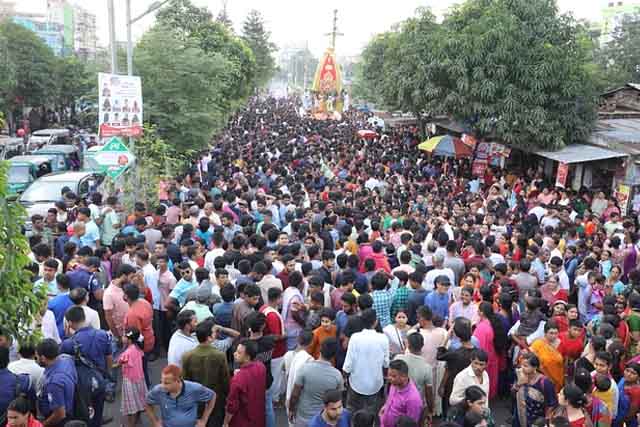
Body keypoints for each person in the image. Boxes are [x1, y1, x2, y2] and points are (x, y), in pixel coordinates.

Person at [182, 319, 231, 427]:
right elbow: (225, 380)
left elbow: (185, 381)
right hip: (216, 399)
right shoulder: (219, 355)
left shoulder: (187, 356)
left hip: (197, 400)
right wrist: (228, 396)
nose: (216, 334)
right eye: (214, 332)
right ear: (209, 337)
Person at [343, 308, 390, 414]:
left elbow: (348, 364)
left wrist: (344, 378)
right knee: (370, 413)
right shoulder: (383, 338)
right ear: (376, 322)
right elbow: (386, 364)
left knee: (351, 411)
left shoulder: (355, 338)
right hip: (375, 384)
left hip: (356, 383)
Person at [288, 338, 343, 427]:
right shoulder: (337, 376)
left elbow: (295, 394)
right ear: (334, 356)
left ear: (320, 350)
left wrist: (291, 410)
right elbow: (337, 399)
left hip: (303, 417)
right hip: (323, 420)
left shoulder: (304, 368)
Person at [145, 364, 216, 427]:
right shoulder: (159, 390)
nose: (163, 386)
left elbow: (212, 396)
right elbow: (147, 403)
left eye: (167, 383)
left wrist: (204, 421)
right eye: (162, 382)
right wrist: (156, 422)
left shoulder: (194, 389)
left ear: (178, 381)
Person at [437, 317, 477, 415]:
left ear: (456, 333)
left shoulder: (454, 353)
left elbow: (440, 356)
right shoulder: (477, 351)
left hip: (453, 387)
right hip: (470, 386)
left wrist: (446, 337)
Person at [224, 339, 267, 427]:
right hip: (258, 418)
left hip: (242, 421)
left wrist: (225, 422)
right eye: (236, 351)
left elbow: (231, 407)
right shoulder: (261, 366)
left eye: (239, 353)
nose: (234, 354)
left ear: (247, 357)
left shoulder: (238, 378)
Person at [35, 339, 77, 427]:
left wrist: (42, 425)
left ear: (43, 358)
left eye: (37, 357)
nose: (36, 360)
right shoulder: (66, 359)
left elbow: (60, 414)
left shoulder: (54, 383)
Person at [395, 331, 434, 418]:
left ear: (408, 345)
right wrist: (431, 410)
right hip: (416, 405)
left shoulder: (398, 358)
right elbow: (429, 393)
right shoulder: (427, 368)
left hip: (398, 401)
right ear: (422, 346)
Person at [513, 353, 559, 427]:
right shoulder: (520, 375)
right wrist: (518, 384)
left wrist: (546, 421)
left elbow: (552, 404)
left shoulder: (545, 382)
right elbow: (512, 394)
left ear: (535, 367)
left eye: (525, 366)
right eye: (521, 365)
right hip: (519, 418)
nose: (522, 368)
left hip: (536, 422)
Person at [473, 301, 506, 400]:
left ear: (481, 313)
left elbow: (479, 346)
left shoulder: (483, 328)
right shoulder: (493, 323)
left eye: (478, 310)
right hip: (493, 358)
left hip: (484, 360)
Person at [379, 359, 423, 427]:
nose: (389, 378)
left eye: (393, 376)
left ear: (404, 377)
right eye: (388, 375)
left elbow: (410, 424)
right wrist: (385, 407)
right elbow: (390, 399)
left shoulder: (413, 399)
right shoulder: (395, 384)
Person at [118, 327, 148, 427]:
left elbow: (119, 362)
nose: (122, 337)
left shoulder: (127, 353)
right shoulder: (138, 348)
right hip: (140, 379)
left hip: (129, 381)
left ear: (129, 339)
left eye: (124, 336)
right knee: (139, 401)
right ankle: (137, 421)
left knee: (132, 407)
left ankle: (130, 424)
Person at [530, 321, 564, 392]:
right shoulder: (538, 344)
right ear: (545, 333)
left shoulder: (561, 344)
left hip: (558, 379)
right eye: (551, 333)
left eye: (556, 333)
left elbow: (565, 361)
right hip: (543, 380)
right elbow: (528, 359)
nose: (554, 336)